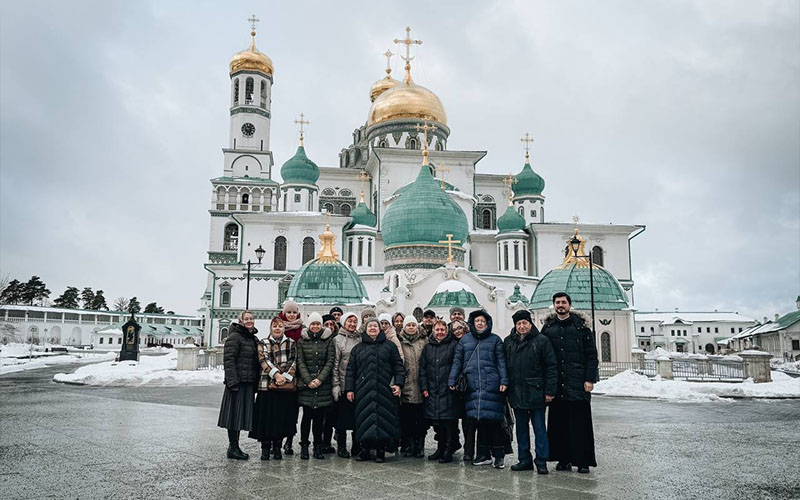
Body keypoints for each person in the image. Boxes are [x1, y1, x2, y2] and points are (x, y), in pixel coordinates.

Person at [541, 292, 599, 474]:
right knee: (560, 425)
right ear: (554, 305)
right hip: (557, 385)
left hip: (577, 383)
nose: (560, 305)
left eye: (563, 302)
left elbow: (591, 356)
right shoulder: (548, 328)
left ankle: (583, 461)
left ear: (569, 305)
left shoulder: (581, 328)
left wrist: (590, 379)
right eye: (557, 302)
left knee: (580, 425)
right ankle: (563, 459)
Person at [448, 310, 508, 469]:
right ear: (472, 323)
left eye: (482, 321)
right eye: (477, 321)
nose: (480, 323)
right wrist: (452, 380)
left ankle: (499, 455)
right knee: (479, 421)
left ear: (487, 323)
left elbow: (501, 362)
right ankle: (483, 455)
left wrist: (504, 380)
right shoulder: (465, 341)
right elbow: (457, 362)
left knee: (494, 422)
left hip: (491, 385)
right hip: (472, 385)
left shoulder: (495, 340)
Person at [344, 318, 405, 463]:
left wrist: (398, 384)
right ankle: (365, 450)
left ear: (380, 329)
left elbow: (398, 366)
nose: (372, 328)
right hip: (363, 390)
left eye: (375, 326)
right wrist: (349, 389)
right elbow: (351, 370)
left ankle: (380, 451)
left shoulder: (389, 346)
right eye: (370, 326)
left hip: (384, 389)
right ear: (365, 329)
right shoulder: (358, 348)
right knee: (364, 419)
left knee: (384, 419)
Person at [504, 310, 557, 474]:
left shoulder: (541, 341)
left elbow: (551, 367)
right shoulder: (509, 342)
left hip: (536, 392)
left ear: (530, 323)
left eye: (524, 323)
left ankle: (541, 461)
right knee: (521, 429)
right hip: (517, 392)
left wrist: (550, 391)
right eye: (518, 323)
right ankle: (524, 459)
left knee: (539, 428)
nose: (521, 326)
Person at [248, 316, 298, 460]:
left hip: (285, 387)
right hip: (267, 386)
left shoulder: (291, 343)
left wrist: (285, 376)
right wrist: (276, 375)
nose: (277, 328)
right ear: (271, 328)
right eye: (274, 326)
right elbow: (263, 359)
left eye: (280, 326)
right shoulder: (264, 342)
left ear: (284, 328)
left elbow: (294, 360)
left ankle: (277, 447)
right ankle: (265, 447)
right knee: (266, 419)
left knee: (281, 418)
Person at [218, 310, 260, 460]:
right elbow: (228, 360)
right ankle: (233, 447)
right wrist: (232, 381)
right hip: (237, 383)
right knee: (233, 416)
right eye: (246, 319)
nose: (249, 321)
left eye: (251, 318)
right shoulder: (235, 336)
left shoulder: (252, 338)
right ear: (241, 321)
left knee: (240, 416)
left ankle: (235, 447)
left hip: (247, 382)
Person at [296, 312, 335, 460]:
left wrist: (320, 379)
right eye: (313, 324)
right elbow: (300, 362)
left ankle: (318, 446)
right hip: (307, 386)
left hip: (322, 385)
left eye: (318, 324)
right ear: (309, 325)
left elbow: (330, 361)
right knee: (306, 418)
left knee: (319, 419)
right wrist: (308, 380)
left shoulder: (328, 341)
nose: (315, 326)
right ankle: (304, 446)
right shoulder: (302, 341)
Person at [419, 319, 459, 463]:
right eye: (437, 330)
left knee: (448, 422)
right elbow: (422, 368)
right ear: (434, 331)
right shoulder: (428, 347)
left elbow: (457, 364)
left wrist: (453, 382)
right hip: (432, 389)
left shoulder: (453, 345)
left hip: (447, 389)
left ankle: (448, 449)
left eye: (442, 330)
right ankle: (440, 448)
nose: (440, 332)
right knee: (437, 422)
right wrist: (424, 387)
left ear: (446, 331)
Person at [332, 311, 361, 458]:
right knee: (342, 419)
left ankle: (357, 445)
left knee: (357, 417)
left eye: (354, 321)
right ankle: (342, 447)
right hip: (343, 384)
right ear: (344, 322)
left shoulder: (360, 338)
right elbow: (335, 363)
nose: (352, 324)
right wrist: (336, 384)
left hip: (358, 384)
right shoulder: (337, 340)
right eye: (349, 321)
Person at [398, 315, 427, 458]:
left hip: (421, 386)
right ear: (404, 327)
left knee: (420, 420)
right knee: (407, 419)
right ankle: (409, 445)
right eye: (408, 325)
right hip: (407, 385)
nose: (411, 328)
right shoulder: (399, 341)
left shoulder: (423, 341)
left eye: (413, 325)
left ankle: (420, 445)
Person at [277, 300, 303, 455]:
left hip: (297, 377)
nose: (292, 315)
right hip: (280, 377)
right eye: (289, 312)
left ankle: (289, 441)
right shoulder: (279, 328)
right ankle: (278, 439)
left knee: (293, 412)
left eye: (294, 312)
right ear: (284, 313)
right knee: (280, 411)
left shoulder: (302, 330)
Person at [449, 318, 472, 459]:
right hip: (457, 386)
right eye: (454, 329)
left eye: (459, 328)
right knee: (457, 417)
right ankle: (454, 444)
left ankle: (469, 449)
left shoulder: (471, 340)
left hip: (470, 385)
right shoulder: (452, 344)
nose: (457, 331)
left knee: (469, 420)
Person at [320, 313, 339, 453]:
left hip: (335, 381)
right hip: (323, 381)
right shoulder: (321, 340)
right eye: (326, 324)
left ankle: (327, 441)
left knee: (332, 415)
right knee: (321, 415)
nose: (329, 327)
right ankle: (319, 442)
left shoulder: (337, 340)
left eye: (332, 325)